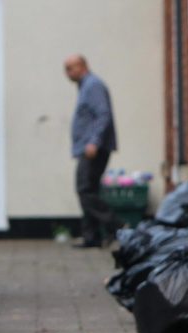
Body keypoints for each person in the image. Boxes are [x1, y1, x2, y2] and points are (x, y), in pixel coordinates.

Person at [64, 54, 121, 248]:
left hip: (94, 148)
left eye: (70, 68)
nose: (67, 73)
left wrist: (93, 142)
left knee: (85, 189)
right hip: (89, 147)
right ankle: (92, 237)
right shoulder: (85, 86)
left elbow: (103, 114)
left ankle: (117, 226)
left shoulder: (93, 85)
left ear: (82, 66)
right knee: (89, 189)